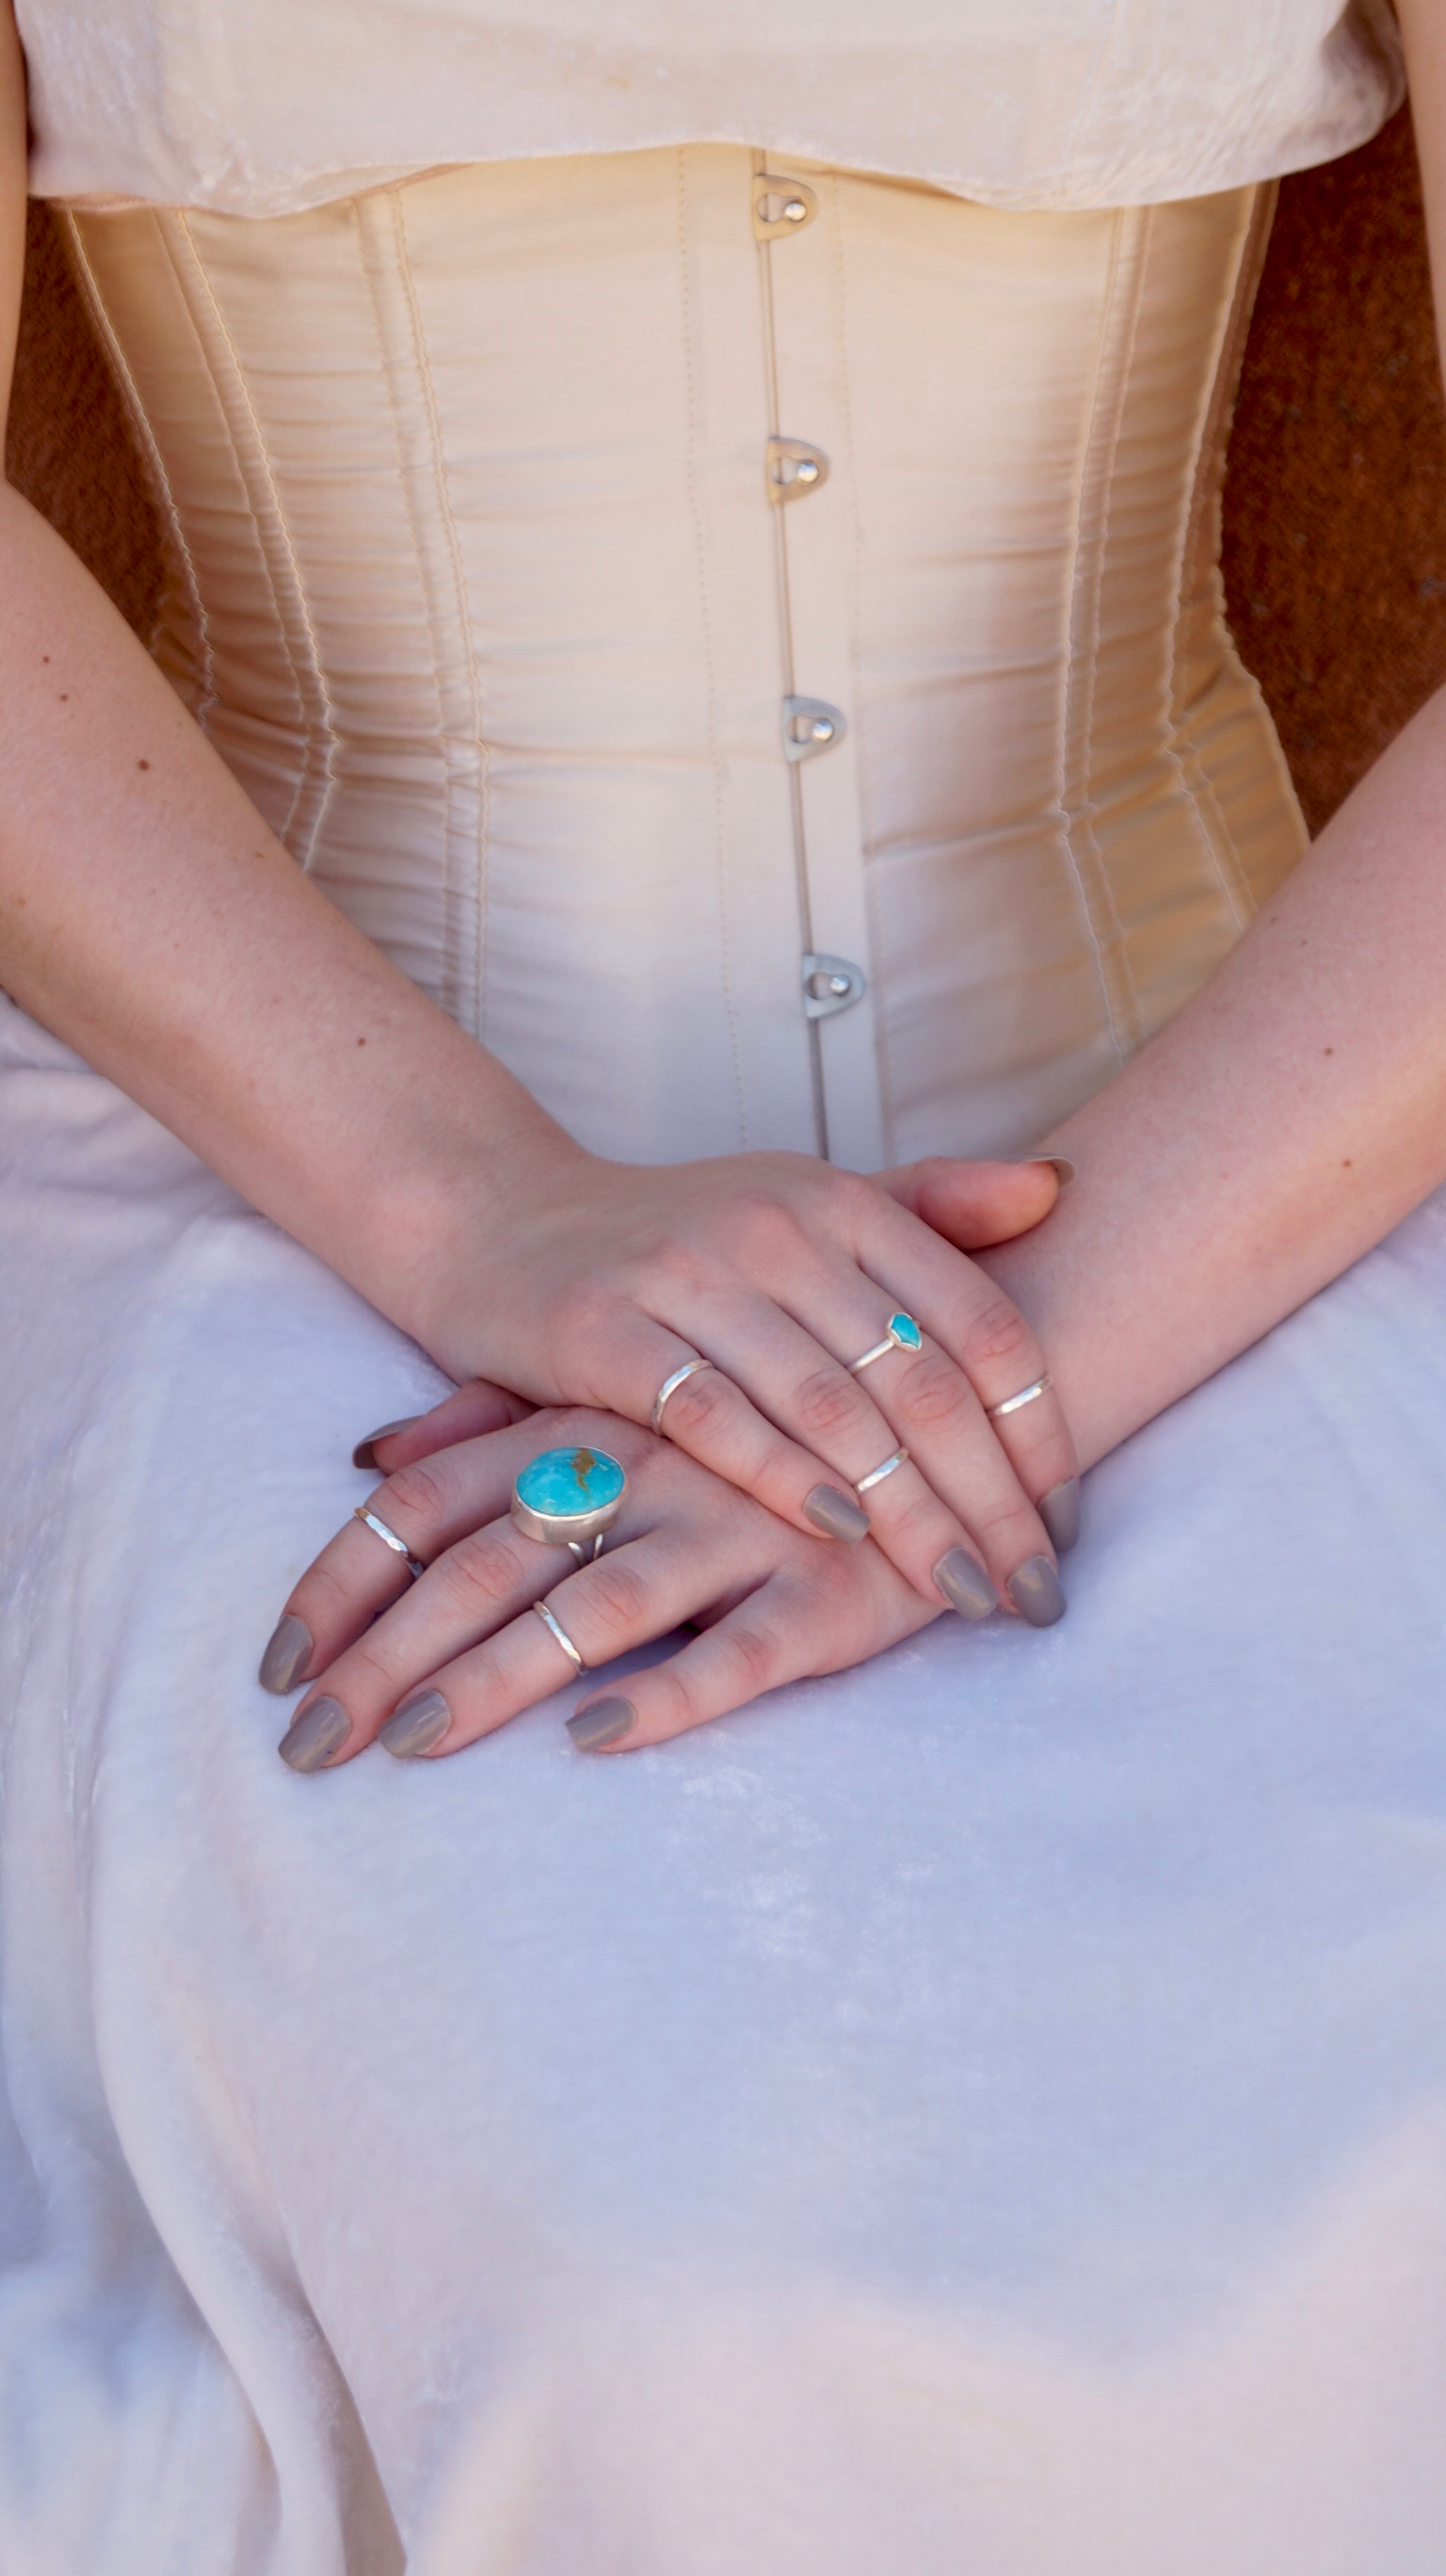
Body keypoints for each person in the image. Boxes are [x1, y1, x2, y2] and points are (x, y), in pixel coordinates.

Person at [2, 2, 1445, 2568]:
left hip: (1258, 1163)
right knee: (647, 2266)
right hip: (293, 1179)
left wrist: (960, 1396)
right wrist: (477, 1210)